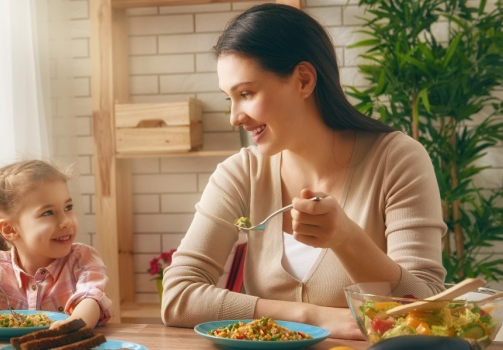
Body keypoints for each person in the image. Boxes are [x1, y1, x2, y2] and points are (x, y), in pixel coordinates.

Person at [160, 3, 446, 339]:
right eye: (230, 99)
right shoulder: (240, 172)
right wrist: (312, 316)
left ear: (303, 80)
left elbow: (425, 308)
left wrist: (347, 239)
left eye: (247, 93)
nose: (235, 117)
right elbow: (178, 296)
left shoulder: (397, 160)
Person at [0, 159, 112, 329]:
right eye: (48, 212)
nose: (66, 221)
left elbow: (91, 298)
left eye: (68, 207)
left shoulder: (82, 259)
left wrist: (74, 325)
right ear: (10, 229)